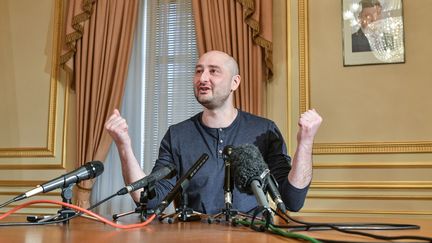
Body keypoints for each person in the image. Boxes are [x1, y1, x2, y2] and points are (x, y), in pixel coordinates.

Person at [105, 50, 322, 215]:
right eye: (198, 71)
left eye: (213, 71)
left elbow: (292, 201)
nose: (202, 78)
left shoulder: (264, 130)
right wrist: (124, 146)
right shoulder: (177, 134)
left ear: (234, 82)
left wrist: (305, 143)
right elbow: (150, 201)